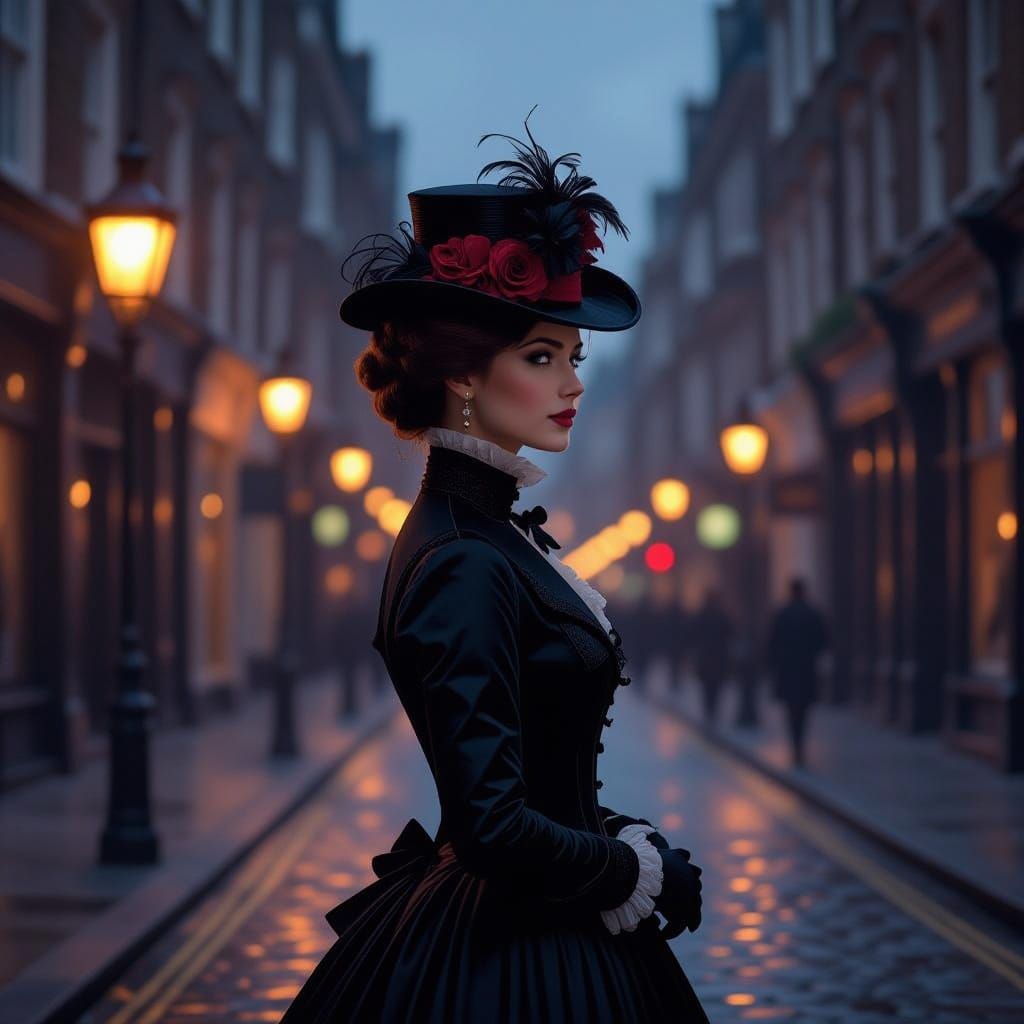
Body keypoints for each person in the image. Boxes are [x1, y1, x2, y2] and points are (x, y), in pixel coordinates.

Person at [280, 112, 709, 1023]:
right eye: (542, 356)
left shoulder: (493, 534)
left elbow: (535, 775)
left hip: (539, 925)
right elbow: (493, 827)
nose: (572, 384)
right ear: (468, 377)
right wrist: (628, 867)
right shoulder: (462, 557)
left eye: (575, 358)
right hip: (514, 960)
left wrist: (611, 832)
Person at [766, 577, 829, 768]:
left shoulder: (782, 614)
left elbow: (772, 643)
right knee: (803, 710)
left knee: (791, 710)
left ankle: (796, 746)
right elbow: (824, 641)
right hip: (806, 670)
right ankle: (799, 745)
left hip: (787, 670)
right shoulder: (813, 614)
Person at [689, 588, 733, 728]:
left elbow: (693, 635)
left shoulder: (701, 615)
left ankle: (709, 710)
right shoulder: (722, 615)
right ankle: (713, 710)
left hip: (706, 657)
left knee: (707, 686)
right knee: (716, 685)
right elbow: (730, 634)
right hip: (718, 657)